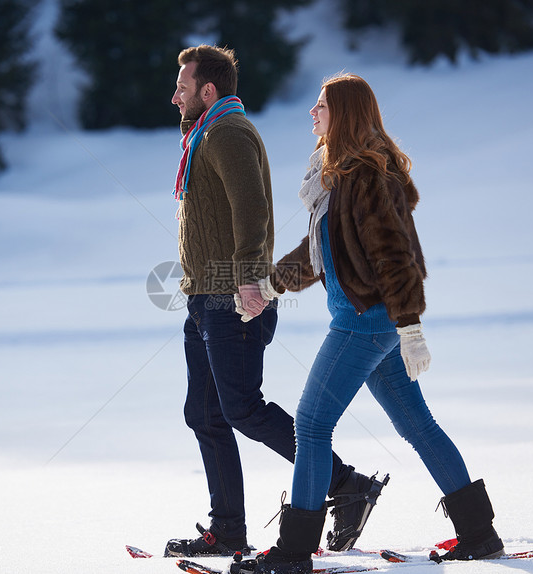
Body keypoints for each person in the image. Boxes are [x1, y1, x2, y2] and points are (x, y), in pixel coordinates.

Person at [234, 73, 504, 574]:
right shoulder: (338, 179)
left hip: (365, 323)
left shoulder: (367, 177)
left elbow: (396, 256)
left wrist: (411, 327)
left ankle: (294, 553)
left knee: (312, 424)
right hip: (368, 323)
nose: (312, 114)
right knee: (417, 425)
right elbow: (319, 256)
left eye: (321, 106)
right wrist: (268, 288)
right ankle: (480, 534)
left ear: (345, 112)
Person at [164, 47, 388, 558]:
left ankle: (348, 483)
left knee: (241, 408)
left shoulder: (228, 134)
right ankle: (228, 530)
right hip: (204, 297)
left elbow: (253, 212)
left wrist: (248, 283)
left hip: (231, 297)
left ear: (208, 91)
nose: (173, 95)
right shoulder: (205, 134)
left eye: (182, 86)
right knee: (204, 412)